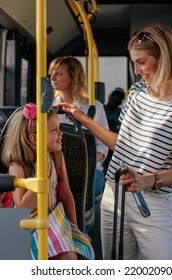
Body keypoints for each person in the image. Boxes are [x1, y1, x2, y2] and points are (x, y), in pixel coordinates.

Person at [58, 23, 172, 260]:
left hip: (154, 205)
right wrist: (82, 119)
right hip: (114, 194)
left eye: (142, 62)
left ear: (165, 58)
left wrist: (145, 180)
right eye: (134, 62)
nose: (137, 70)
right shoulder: (137, 91)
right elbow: (122, 144)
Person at [0, 103, 94, 260]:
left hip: (55, 219)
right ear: (35, 138)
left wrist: (76, 229)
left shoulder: (57, 156)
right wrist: (43, 175)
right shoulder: (19, 164)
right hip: (28, 224)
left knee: (70, 254)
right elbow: (23, 206)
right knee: (64, 255)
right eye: (54, 130)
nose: (61, 133)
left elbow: (66, 195)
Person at [50, 56, 109, 198]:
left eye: (58, 73)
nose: (52, 78)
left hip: (89, 170)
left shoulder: (94, 107)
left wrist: (85, 164)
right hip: (55, 167)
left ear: (73, 77)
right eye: (51, 73)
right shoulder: (48, 108)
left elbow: (102, 146)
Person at [103, 87, 125, 175]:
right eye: (113, 99)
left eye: (117, 101)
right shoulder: (102, 109)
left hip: (114, 143)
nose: (114, 103)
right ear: (110, 97)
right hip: (101, 140)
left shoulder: (120, 112)